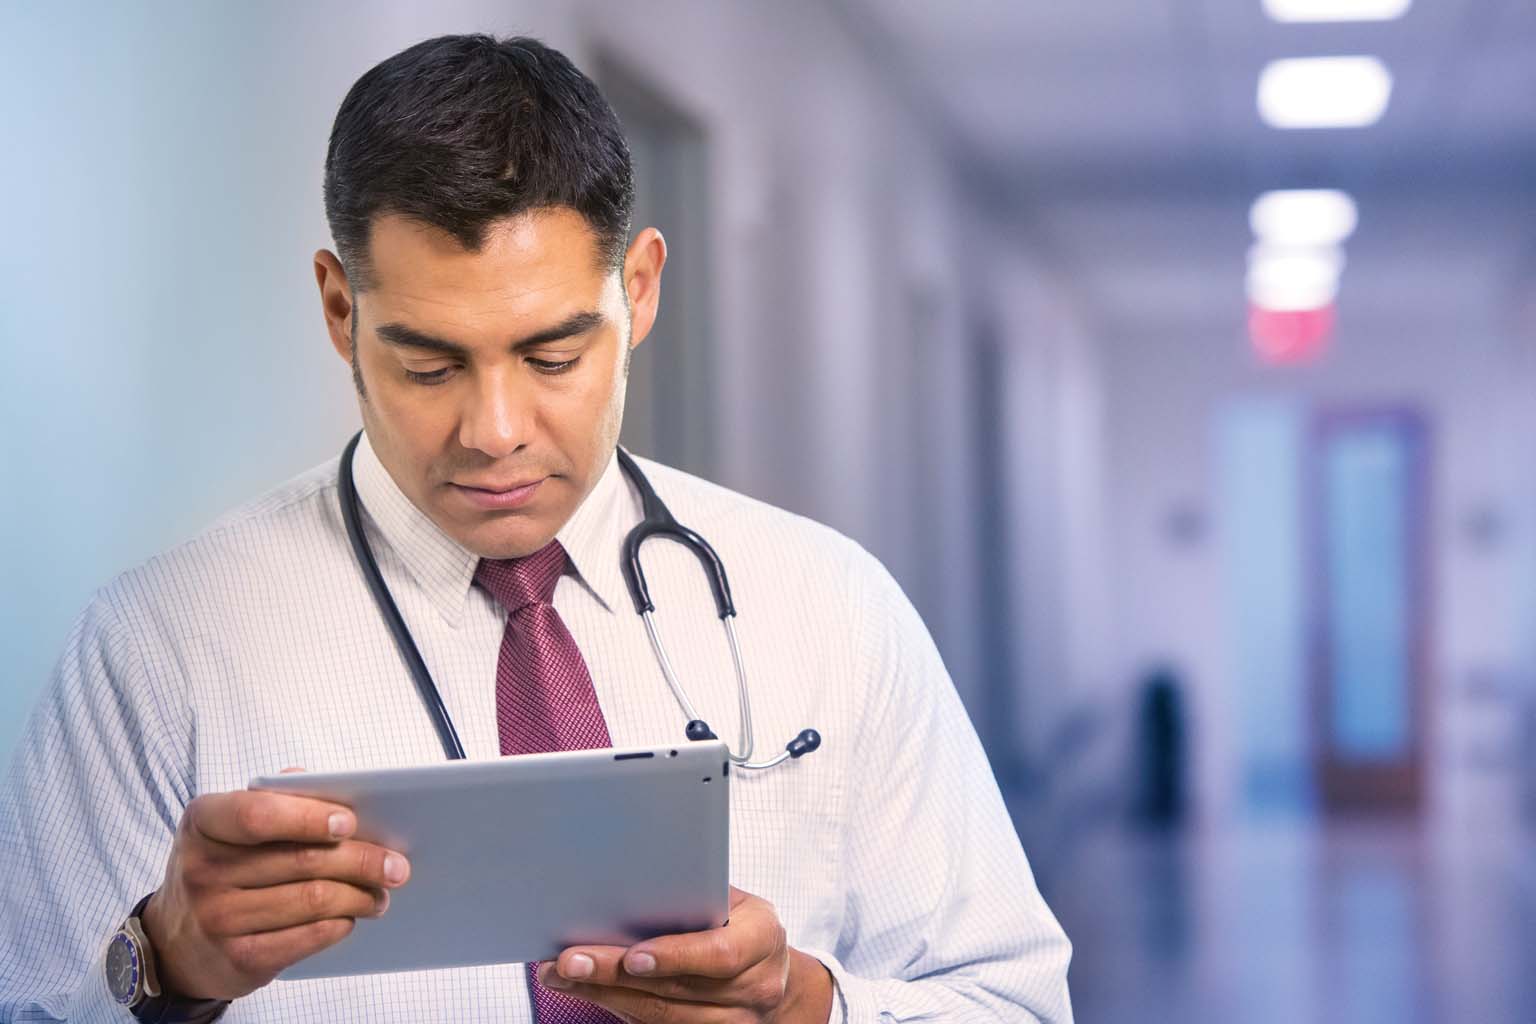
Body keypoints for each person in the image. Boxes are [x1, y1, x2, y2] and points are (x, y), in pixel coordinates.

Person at [0, 33, 1072, 1023]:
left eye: (554, 358)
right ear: (340, 311)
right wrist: (164, 962)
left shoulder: (832, 608)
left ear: (639, 290)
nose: (495, 432)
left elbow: (1014, 1002)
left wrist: (808, 1008)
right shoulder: (159, 648)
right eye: (429, 364)